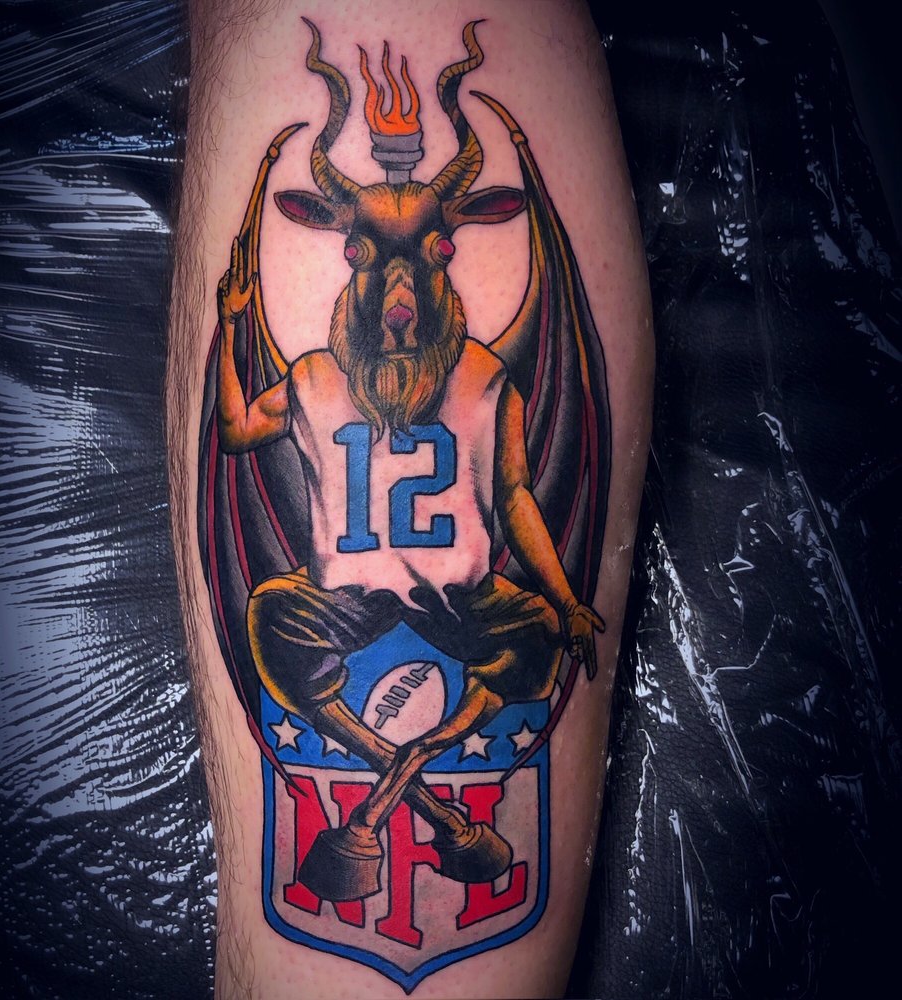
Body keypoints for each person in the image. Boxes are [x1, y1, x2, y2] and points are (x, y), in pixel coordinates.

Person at [167, 2, 653, 995]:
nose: (397, 293)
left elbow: (515, 499)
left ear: (450, 253)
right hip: (349, 600)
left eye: (427, 255)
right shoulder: (313, 375)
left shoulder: (483, 378)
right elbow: (239, 432)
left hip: (459, 599)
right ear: (343, 256)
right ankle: (425, 790)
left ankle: (403, 773)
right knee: (270, 622)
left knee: (537, 639)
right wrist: (233, 324)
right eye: (366, 257)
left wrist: (564, 599)